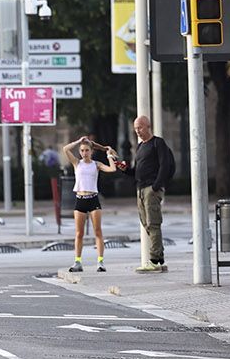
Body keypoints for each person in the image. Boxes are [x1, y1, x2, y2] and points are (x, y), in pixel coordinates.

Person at [60, 135, 119, 273]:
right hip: (80, 199)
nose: (84, 153)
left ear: (91, 151)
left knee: (97, 231)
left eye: (87, 150)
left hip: (93, 199)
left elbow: (112, 169)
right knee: (79, 233)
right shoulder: (77, 163)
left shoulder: (96, 164)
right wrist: (78, 141)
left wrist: (109, 155)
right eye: (82, 150)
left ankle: (100, 262)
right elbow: (65, 149)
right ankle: (78, 262)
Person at [129, 115, 175, 273]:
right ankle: (160, 258)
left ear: (148, 126)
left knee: (153, 223)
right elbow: (135, 170)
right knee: (145, 222)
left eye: (140, 127)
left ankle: (154, 260)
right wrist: (124, 169)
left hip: (151, 189)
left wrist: (157, 185)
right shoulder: (140, 146)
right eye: (136, 129)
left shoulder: (158, 143)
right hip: (140, 189)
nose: (138, 131)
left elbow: (165, 165)